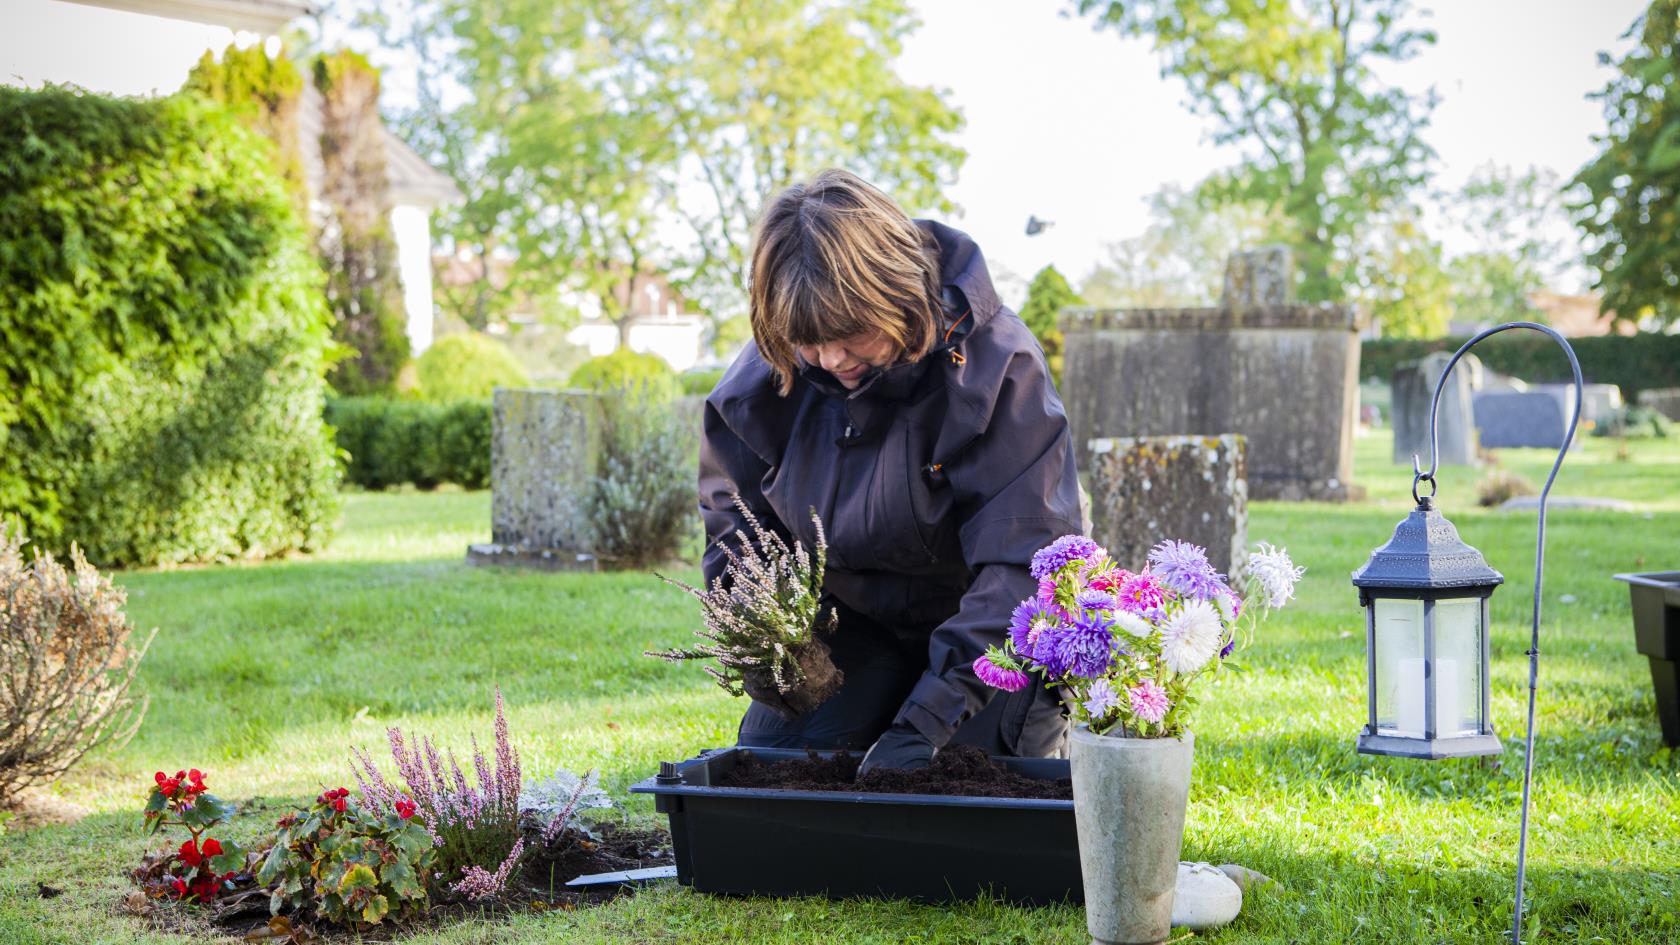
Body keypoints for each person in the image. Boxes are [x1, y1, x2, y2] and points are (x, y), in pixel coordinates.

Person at [698, 169, 1083, 774]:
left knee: (963, 786)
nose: (830, 359)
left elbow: (1021, 563)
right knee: (782, 775)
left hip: (985, 635)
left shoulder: (998, 370)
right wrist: (774, 646)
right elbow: (738, 533)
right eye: (809, 340)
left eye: (850, 335)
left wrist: (928, 719)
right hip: (852, 625)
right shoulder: (763, 382)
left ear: (893, 296)